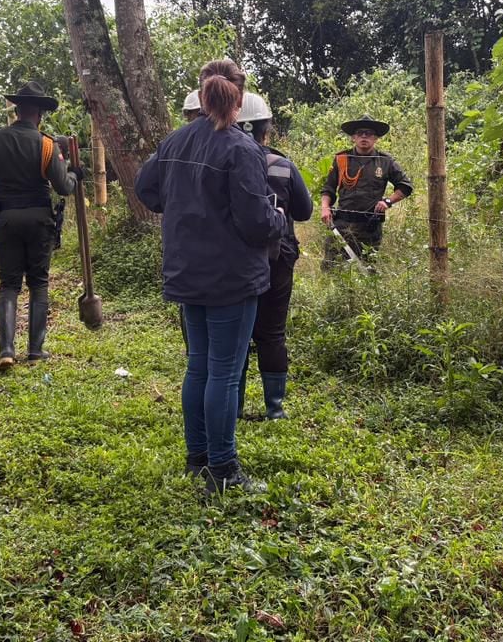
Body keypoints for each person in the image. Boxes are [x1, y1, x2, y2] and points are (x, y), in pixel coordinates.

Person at [136, 60, 286, 495]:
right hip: (232, 278)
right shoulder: (241, 149)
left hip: (188, 272)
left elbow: (147, 189)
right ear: (238, 99)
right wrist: (276, 218)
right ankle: (223, 470)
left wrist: (185, 206)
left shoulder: (175, 140)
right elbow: (257, 222)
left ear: (201, 96)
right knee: (223, 371)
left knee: (198, 367)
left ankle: (197, 457)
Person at [0, 81, 80, 371]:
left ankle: (6, 351)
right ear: (40, 114)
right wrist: (74, 175)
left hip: (5, 219)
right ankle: (35, 350)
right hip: (39, 219)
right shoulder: (47, 144)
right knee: (38, 283)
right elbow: (63, 187)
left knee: (9, 285)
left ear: (16, 111)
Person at [234, 92, 312, 420]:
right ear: (266, 129)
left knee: (234, 335)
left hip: (234, 262)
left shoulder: (224, 162)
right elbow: (305, 212)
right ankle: (275, 409)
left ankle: (232, 408)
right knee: (273, 332)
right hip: (277, 260)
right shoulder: (283, 165)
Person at [320, 116, 413, 266]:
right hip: (342, 224)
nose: (364, 136)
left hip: (369, 227)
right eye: (360, 133)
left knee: (367, 271)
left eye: (369, 133)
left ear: (376, 138)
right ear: (353, 137)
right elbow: (328, 189)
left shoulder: (385, 161)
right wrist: (325, 208)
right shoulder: (341, 159)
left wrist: (387, 201)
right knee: (332, 268)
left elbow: (405, 186)